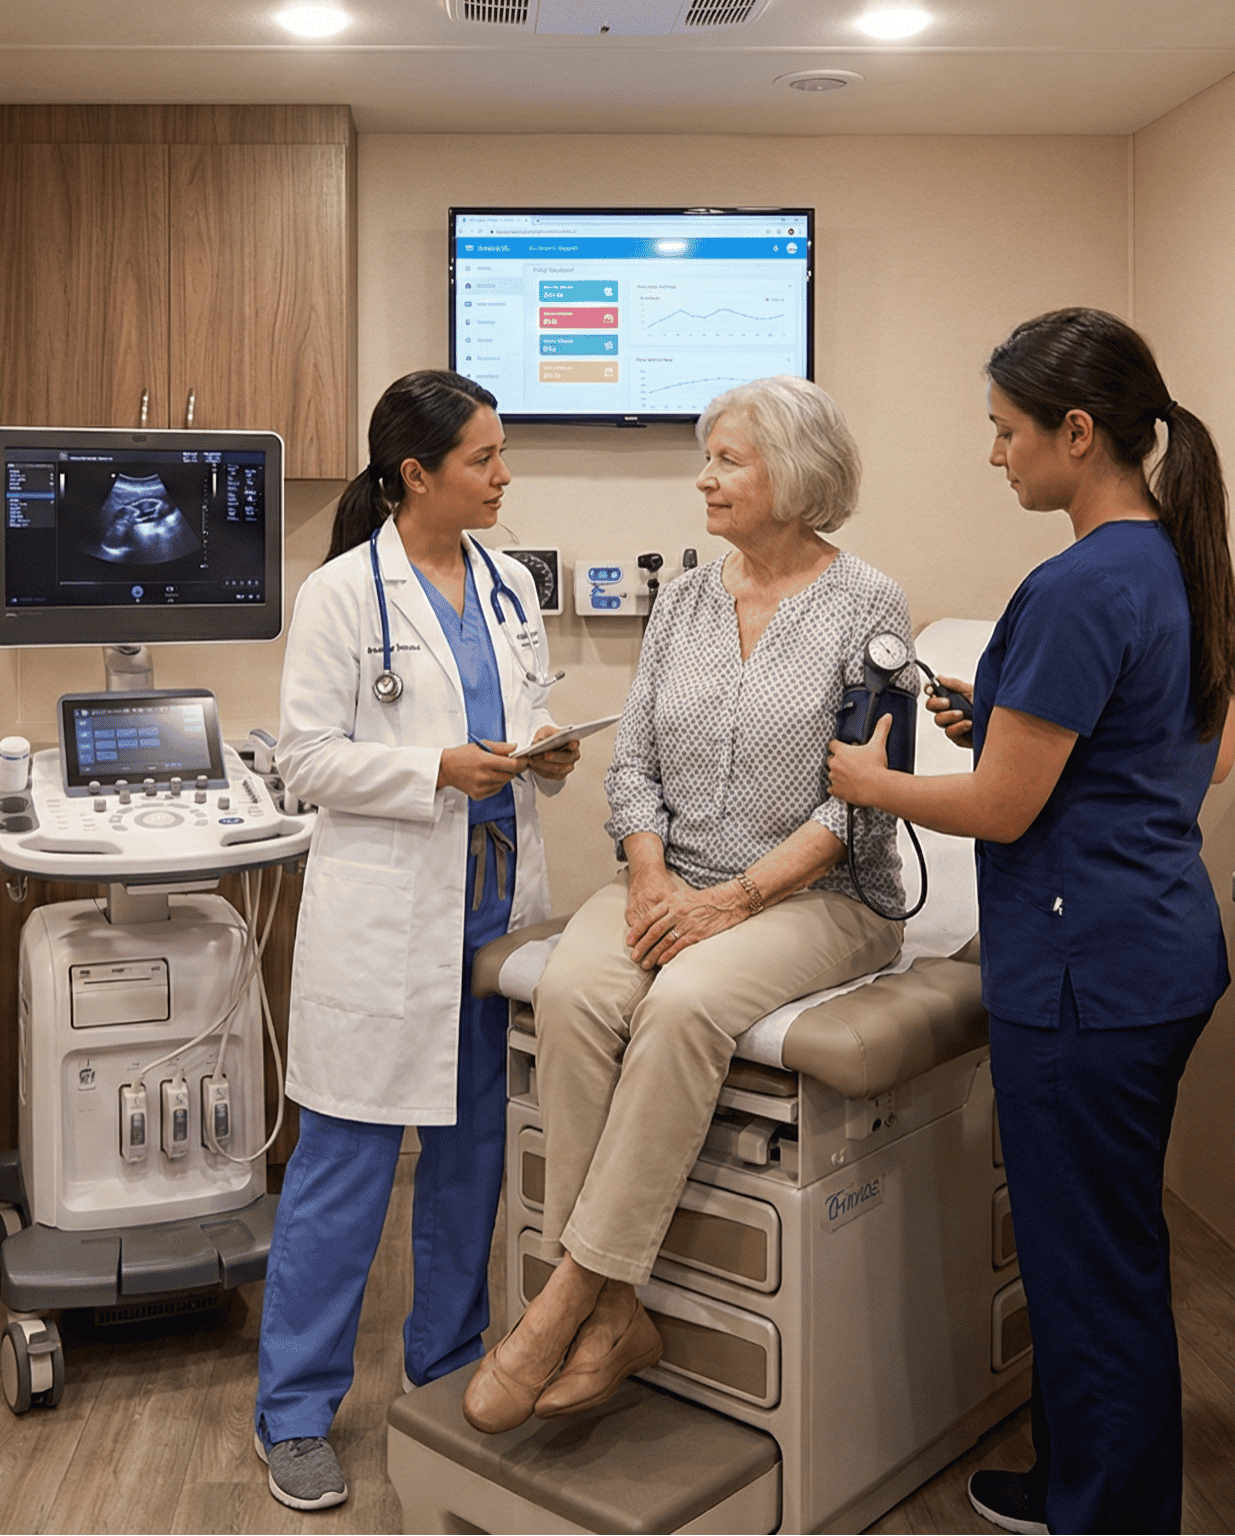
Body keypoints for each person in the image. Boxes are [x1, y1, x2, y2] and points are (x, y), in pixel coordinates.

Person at [828, 307, 1235, 1534]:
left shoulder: (1074, 583)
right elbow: (1201, 752)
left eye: (1006, 432)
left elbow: (1006, 811)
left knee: (1092, 1267)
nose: (992, 454)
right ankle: (1074, 1479)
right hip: (1152, 947)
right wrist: (999, 713)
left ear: (1076, 433)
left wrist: (871, 783)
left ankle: (1110, 1515)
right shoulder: (1173, 556)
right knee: (1091, 1250)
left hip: (1086, 976)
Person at [463, 375, 911, 1435]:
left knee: (680, 1003)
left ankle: (567, 1295)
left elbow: (861, 804)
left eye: (727, 460)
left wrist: (737, 899)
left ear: (794, 478)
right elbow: (635, 773)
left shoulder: (867, 605)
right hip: (675, 879)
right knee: (574, 989)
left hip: (822, 894)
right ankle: (619, 1311)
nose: (702, 478)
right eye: (705, 457)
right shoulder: (686, 600)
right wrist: (651, 874)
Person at [257, 369, 582, 1510]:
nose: (503, 477)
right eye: (483, 459)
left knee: (470, 1162)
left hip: (493, 907)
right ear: (415, 476)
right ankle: (295, 1413)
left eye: (500, 455)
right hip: (388, 915)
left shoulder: (504, 584)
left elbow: (523, 706)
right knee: (344, 1172)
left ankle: (445, 1374)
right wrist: (432, 769)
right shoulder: (343, 594)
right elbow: (305, 760)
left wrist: (543, 748)